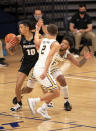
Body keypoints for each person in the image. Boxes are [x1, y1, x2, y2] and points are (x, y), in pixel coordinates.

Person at [12, 35, 91, 112]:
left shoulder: (68, 55)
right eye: (62, 42)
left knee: (62, 79)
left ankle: (66, 101)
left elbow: (79, 64)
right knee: (29, 89)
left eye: (65, 44)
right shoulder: (54, 47)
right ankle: (20, 94)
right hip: (41, 68)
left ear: (68, 47)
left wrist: (85, 58)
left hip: (52, 68)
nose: (62, 44)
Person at [27, 23, 60, 119]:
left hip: (37, 68)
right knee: (56, 92)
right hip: (42, 69)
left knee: (56, 87)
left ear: (47, 32)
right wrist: (45, 71)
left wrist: (37, 30)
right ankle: (34, 101)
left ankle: (43, 108)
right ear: (57, 32)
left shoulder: (43, 40)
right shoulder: (56, 44)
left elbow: (35, 41)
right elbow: (49, 57)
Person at [7, 20, 39, 111]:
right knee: (18, 85)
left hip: (37, 63)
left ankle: (48, 101)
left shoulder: (37, 36)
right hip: (26, 62)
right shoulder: (19, 38)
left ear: (27, 27)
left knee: (30, 89)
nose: (19, 29)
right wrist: (8, 47)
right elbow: (12, 53)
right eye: (19, 27)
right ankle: (19, 104)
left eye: (21, 27)